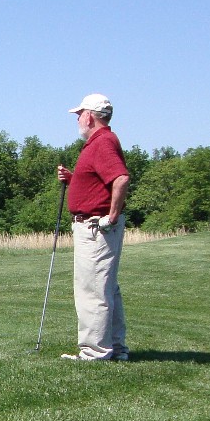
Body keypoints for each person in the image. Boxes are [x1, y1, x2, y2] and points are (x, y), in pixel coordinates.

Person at [56, 93, 130, 361]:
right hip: (95, 226)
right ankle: (116, 349)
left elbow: (120, 178)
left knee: (93, 289)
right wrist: (74, 179)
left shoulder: (102, 143)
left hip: (96, 228)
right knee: (105, 287)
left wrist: (111, 217)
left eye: (79, 114)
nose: (77, 119)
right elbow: (100, 182)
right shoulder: (101, 142)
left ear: (89, 115)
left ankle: (95, 351)